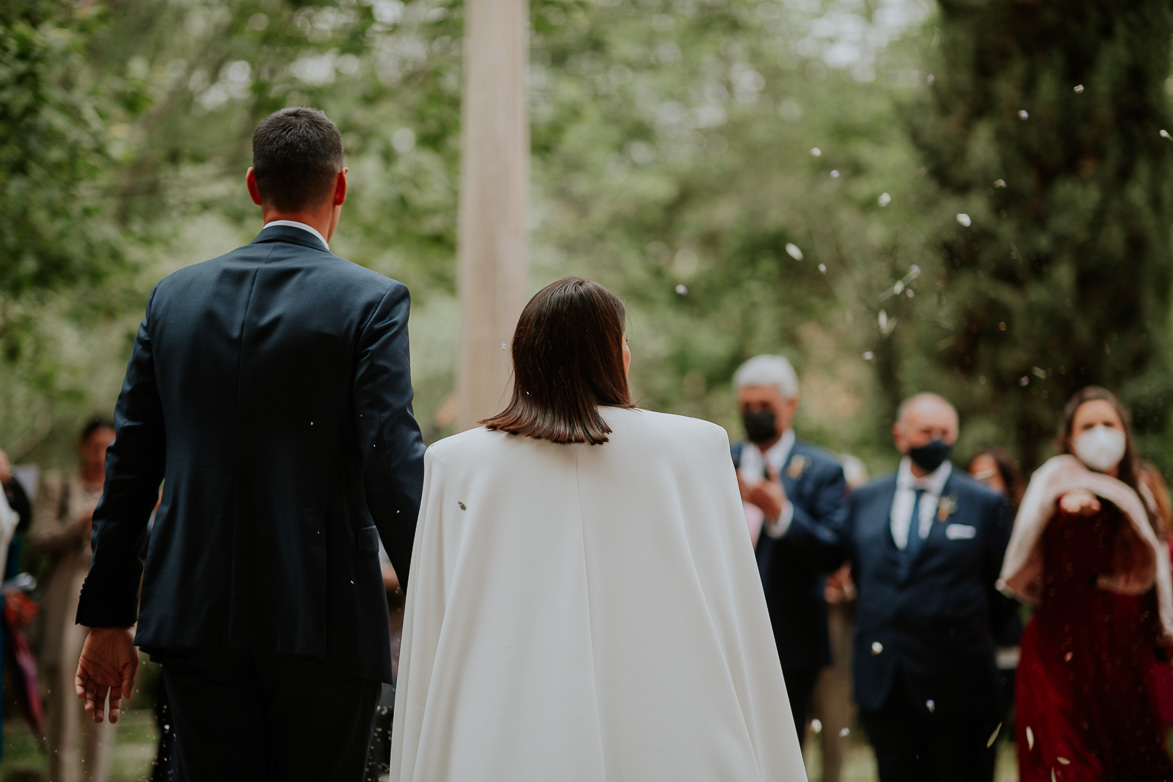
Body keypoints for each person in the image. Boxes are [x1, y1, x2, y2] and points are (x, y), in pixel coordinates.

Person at [71, 107, 426, 782]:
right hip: (325, 620)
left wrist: (108, 616)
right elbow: (392, 463)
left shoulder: (172, 299)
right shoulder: (372, 302)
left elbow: (131, 465)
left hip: (196, 614)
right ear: (341, 187)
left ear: (251, 185)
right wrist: (436, 600)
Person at [390, 277, 806, 782]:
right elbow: (736, 618)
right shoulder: (695, 450)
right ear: (616, 359)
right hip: (677, 729)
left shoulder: (458, 462)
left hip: (502, 733)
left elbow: (434, 627)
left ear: (525, 358)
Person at [999, 386, 1173, 781]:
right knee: (1070, 765)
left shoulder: (1139, 494)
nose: (1100, 433)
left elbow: (1153, 573)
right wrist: (1071, 505)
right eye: (1088, 425)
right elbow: (1055, 507)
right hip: (1062, 654)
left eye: (1108, 424)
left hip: (1124, 656)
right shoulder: (1058, 483)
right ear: (1070, 438)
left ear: (1125, 434)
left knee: (1134, 764)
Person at [844, 393, 1012, 782]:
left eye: (945, 432)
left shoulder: (984, 503)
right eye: (926, 431)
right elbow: (858, 572)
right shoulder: (867, 498)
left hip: (960, 682)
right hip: (886, 680)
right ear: (900, 436)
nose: (936, 439)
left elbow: (1001, 591)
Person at [731, 354, 849, 745]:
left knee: (783, 745)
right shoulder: (720, 460)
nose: (755, 414)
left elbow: (833, 550)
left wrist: (780, 513)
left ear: (790, 405)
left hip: (791, 636)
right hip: (726, 628)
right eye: (748, 406)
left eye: (765, 406)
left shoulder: (822, 469)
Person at [28, 418, 117, 782]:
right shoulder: (59, 486)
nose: (101, 456)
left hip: (111, 601)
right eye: (95, 447)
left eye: (109, 448)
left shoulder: (127, 492)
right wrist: (79, 522)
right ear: (82, 447)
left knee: (107, 705)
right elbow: (40, 539)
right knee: (65, 701)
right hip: (67, 599)